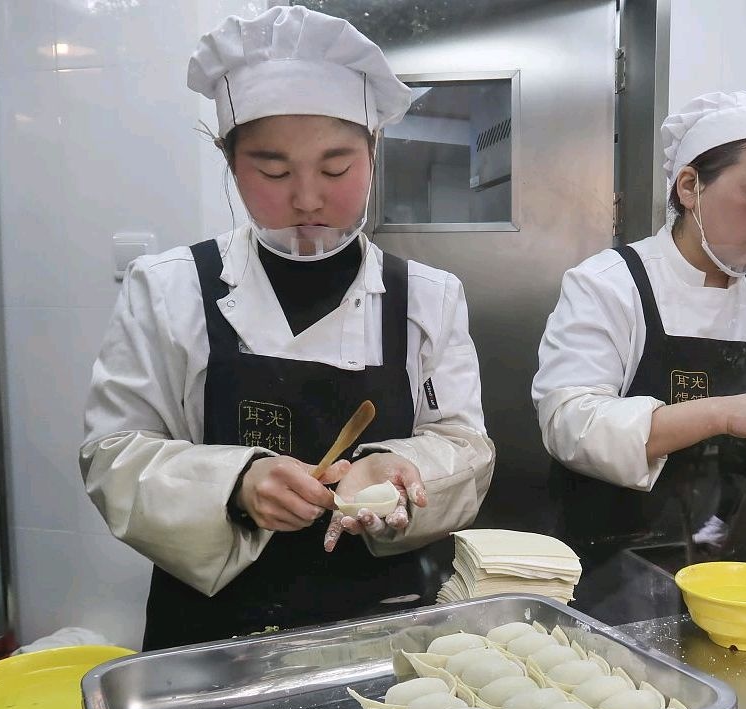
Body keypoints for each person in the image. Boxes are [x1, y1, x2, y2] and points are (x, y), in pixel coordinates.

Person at [80, 6, 494, 650]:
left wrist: (394, 466)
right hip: (211, 635)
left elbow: (465, 449)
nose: (306, 198)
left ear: (374, 150)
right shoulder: (169, 288)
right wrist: (236, 484)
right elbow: (114, 457)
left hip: (380, 627)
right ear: (230, 160)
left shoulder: (428, 299)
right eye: (272, 171)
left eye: (336, 169)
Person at [532, 91, 746, 576]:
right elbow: (571, 426)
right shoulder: (610, 284)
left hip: (724, 570)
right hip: (600, 569)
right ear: (690, 186)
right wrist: (725, 410)